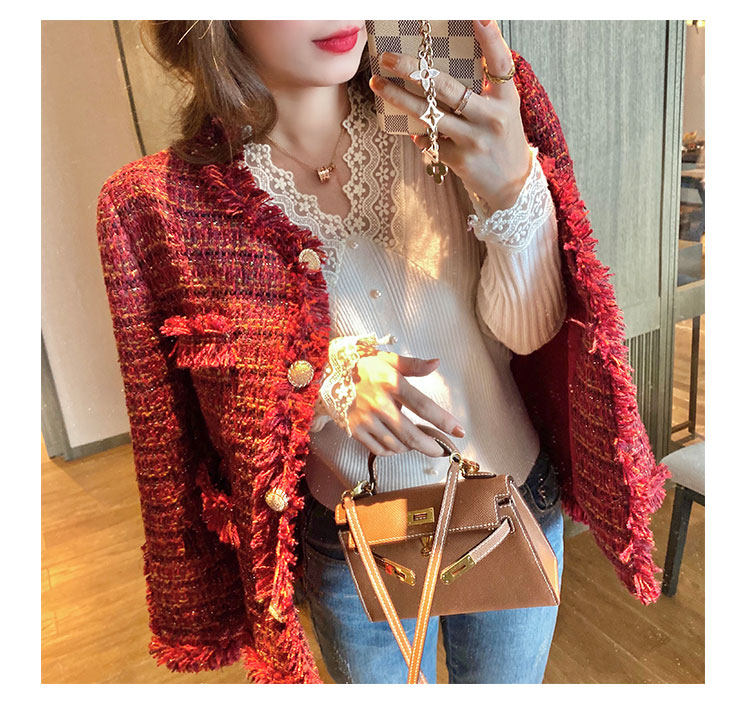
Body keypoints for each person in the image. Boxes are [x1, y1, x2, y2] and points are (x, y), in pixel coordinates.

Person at [96, 19, 669, 685]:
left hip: (507, 498)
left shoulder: (447, 111)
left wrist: (514, 189)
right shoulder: (166, 204)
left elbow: (527, 333)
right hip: (356, 537)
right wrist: (329, 379)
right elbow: (211, 406)